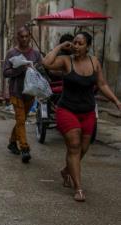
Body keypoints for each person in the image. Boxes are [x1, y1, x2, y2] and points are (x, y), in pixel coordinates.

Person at [42, 32, 121, 201]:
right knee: (74, 145)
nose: (76, 46)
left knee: (83, 148)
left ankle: (66, 170)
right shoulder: (66, 61)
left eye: (80, 43)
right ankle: (78, 189)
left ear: (88, 46)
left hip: (87, 112)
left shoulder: (94, 62)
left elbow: (102, 84)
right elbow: (46, 63)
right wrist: (60, 47)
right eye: (74, 43)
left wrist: (116, 101)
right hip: (67, 110)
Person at [3, 26, 42, 163]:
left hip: (30, 92)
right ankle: (25, 148)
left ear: (30, 37)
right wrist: (19, 69)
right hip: (16, 92)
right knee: (20, 120)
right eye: (21, 36)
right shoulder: (11, 53)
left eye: (26, 36)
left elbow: (42, 69)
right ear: (17, 37)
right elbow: (5, 73)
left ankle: (12, 142)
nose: (24, 39)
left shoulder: (35, 54)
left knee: (21, 120)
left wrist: (36, 69)